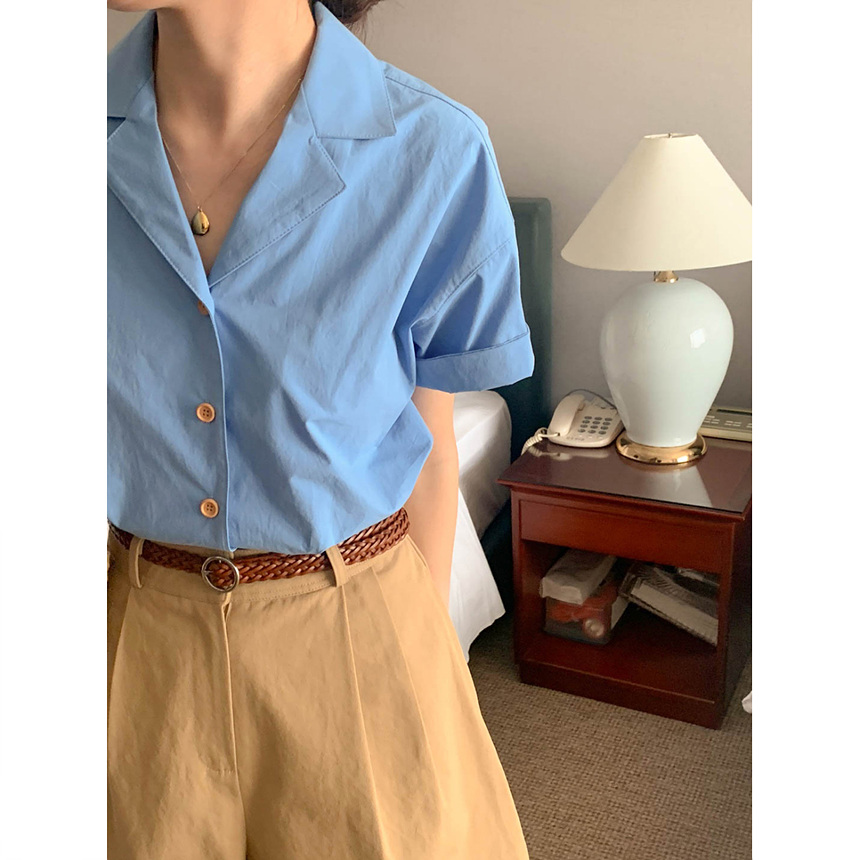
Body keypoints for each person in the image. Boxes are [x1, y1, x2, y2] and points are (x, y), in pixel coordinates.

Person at [107, 1, 534, 857]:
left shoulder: (434, 152)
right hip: (132, 641)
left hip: (359, 636)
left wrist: (421, 667)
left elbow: (432, 452)